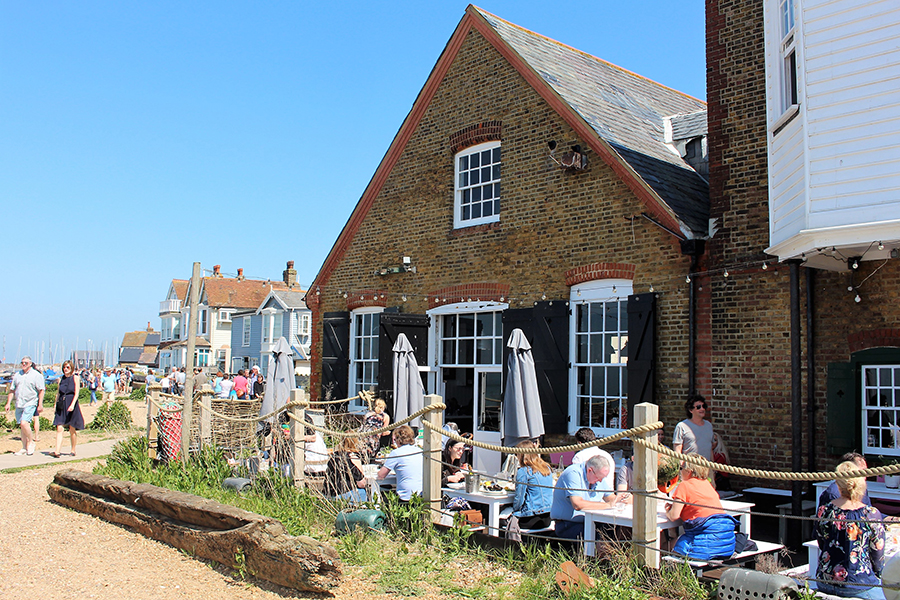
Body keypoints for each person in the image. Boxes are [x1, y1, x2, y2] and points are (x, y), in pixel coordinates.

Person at [816, 461, 886, 599]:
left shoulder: (825, 511)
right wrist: (878, 575)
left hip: (825, 581)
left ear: (838, 484)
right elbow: (878, 555)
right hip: (859, 584)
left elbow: (821, 542)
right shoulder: (870, 514)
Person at [665, 455, 737, 560]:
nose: (680, 472)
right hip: (726, 545)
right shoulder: (707, 485)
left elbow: (673, 516)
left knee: (664, 546)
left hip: (704, 546)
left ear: (689, 471)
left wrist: (667, 510)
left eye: (682, 468)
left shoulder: (684, 485)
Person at [550, 454, 615, 539]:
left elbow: (611, 498)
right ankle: (595, 552)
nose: (600, 480)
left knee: (614, 530)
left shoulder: (597, 476)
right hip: (568, 524)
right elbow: (577, 504)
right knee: (599, 536)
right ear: (589, 470)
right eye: (599, 477)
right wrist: (607, 506)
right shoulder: (573, 473)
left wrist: (623, 499)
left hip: (590, 522)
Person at [4, 356, 45, 456]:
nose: (23, 364)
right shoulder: (18, 375)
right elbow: (12, 390)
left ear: (30, 363)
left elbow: (41, 390)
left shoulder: (36, 375)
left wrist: (40, 404)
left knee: (24, 423)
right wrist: (8, 403)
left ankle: (31, 442)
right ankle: (24, 447)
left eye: (25, 363)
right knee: (22, 426)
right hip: (19, 403)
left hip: (30, 402)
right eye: (22, 363)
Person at [511, 440, 553, 529]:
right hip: (547, 517)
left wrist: (515, 510)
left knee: (503, 519)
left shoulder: (524, 471)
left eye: (517, 454)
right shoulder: (547, 468)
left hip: (531, 518)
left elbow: (519, 497)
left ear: (521, 455)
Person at [377, 425, 423, 502]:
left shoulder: (396, 453)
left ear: (398, 440)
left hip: (405, 496)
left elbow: (381, 475)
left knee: (385, 497)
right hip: (421, 494)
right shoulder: (420, 451)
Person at [52, 360, 85, 458]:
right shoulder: (61, 379)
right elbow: (58, 393)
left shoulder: (75, 378)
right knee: (59, 427)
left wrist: (72, 404)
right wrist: (55, 404)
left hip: (71, 403)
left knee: (72, 428)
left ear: (71, 368)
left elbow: (76, 393)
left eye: (67, 367)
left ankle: (73, 449)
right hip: (62, 403)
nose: (65, 369)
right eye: (64, 367)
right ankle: (57, 451)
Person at [571, 427, 616, 491]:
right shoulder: (607, 455)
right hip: (608, 494)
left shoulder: (579, 456)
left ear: (579, 443)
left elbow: (576, 480)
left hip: (589, 496)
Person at [324, 437, 368, 503]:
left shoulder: (334, 456)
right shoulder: (351, 458)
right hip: (343, 494)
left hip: (329, 493)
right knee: (364, 492)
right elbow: (361, 483)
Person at [673, 395, 715, 460]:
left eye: (704, 406)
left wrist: (713, 467)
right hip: (689, 467)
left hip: (706, 467)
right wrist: (681, 467)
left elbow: (710, 449)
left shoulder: (708, 425)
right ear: (691, 410)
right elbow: (677, 449)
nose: (702, 409)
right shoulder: (682, 426)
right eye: (698, 407)